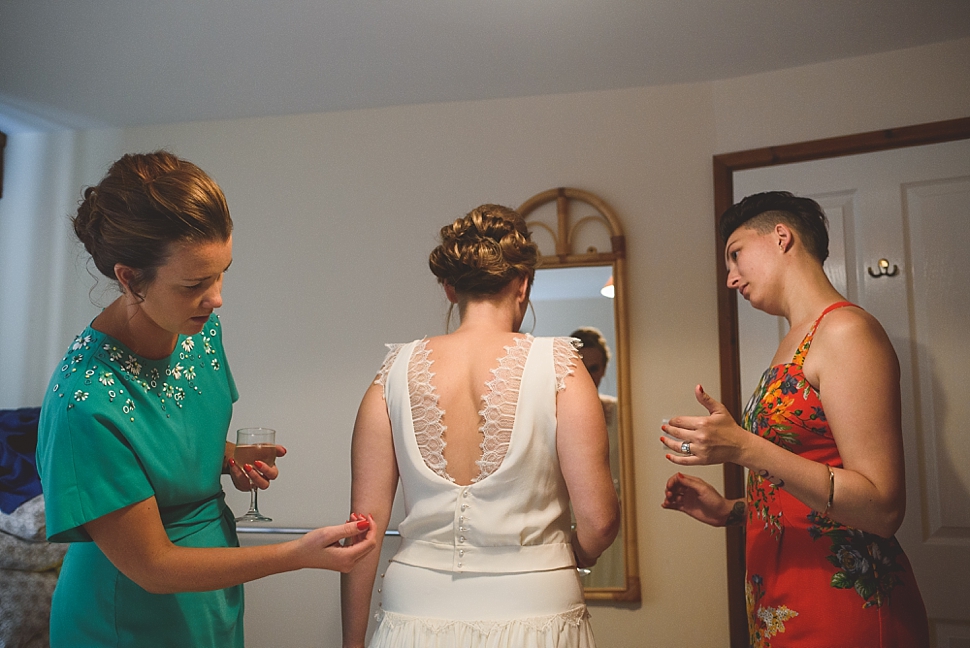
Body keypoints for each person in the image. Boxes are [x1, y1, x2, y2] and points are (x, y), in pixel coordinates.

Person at [35, 151, 378, 648]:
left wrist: (229, 460)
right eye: (195, 284)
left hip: (211, 593)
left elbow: (165, 443)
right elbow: (153, 566)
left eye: (222, 273)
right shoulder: (82, 403)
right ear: (130, 278)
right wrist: (298, 554)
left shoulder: (197, 330)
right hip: (128, 612)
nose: (217, 298)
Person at [341, 204, 620, 648]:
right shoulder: (562, 367)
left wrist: (352, 643)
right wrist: (567, 557)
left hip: (414, 608)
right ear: (524, 283)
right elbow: (600, 521)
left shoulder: (392, 372)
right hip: (537, 608)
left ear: (449, 289)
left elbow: (361, 534)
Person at [660, 191, 929, 647]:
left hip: (840, 602)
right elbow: (811, 489)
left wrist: (745, 447)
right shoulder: (793, 342)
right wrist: (732, 512)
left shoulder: (845, 332)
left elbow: (882, 508)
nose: (730, 278)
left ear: (781, 237)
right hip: (782, 593)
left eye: (735, 255)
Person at [569, 327, 623, 587]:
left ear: (604, 368)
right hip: (573, 511)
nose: (590, 376)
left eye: (595, 368)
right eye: (582, 367)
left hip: (613, 511)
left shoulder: (620, 412)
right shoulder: (555, 413)